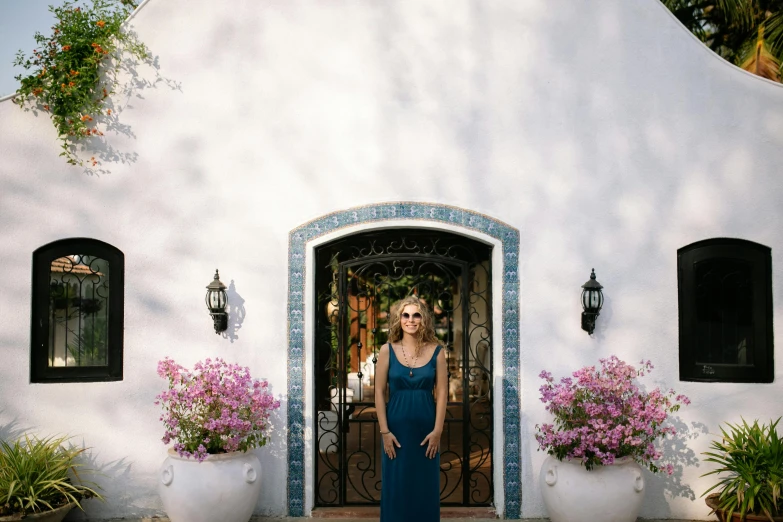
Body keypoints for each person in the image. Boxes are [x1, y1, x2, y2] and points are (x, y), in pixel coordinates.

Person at [375, 295, 447, 522]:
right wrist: (384, 432)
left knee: (424, 486)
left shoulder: (438, 351)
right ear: (399, 319)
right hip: (395, 431)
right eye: (405, 315)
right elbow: (379, 392)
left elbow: (442, 394)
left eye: (416, 315)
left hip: (427, 431)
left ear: (423, 319)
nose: (411, 320)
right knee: (396, 485)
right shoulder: (387, 350)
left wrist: (437, 431)